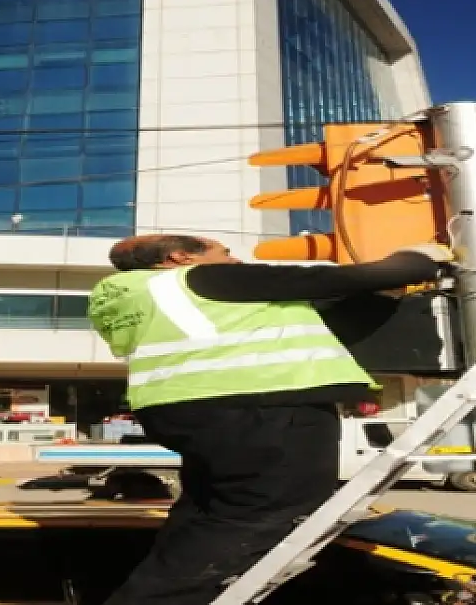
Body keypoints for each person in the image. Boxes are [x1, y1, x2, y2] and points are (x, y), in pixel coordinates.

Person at [89, 234, 452, 605]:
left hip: (187, 412)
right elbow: (339, 279)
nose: (235, 260)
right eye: (224, 252)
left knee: (209, 518)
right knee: (262, 516)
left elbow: (296, 317)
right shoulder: (202, 279)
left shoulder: (132, 298)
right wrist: (419, 258)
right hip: (262, 408)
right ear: (179, 257)